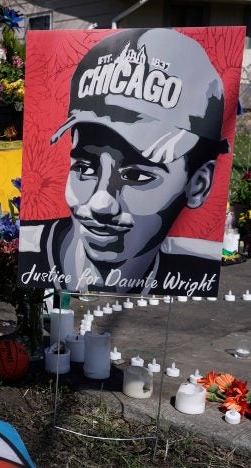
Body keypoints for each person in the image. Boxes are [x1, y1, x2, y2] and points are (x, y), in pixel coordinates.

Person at [19, 28, 229, 295]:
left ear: (198, 185)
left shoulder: (196, 268)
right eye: (84, 168)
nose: (100, 203)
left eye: (137, 176)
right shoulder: (23, 251)